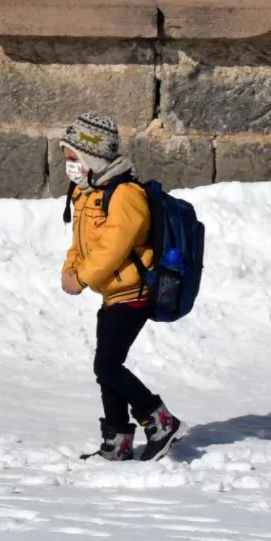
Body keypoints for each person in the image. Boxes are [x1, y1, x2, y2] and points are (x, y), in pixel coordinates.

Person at [59, 113, 188, 462]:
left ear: (92, 158)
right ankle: (117, 440)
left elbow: (113, 247)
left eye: (73, 159)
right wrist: (69, 269)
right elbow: (81, 243)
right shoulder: (88, 194)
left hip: (134, 294)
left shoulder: (126, 195)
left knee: (108, 367)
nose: (69, 167)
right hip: (113, 295)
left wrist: (83, 277)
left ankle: (160, 421)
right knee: (107, 368)